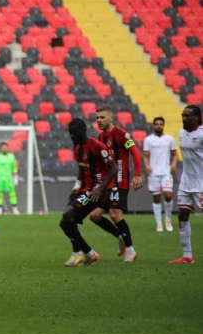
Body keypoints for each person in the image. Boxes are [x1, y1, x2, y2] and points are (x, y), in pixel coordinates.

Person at [88, 106, 143, 263]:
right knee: (94, 215)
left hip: (120, 180)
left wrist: (137, 174)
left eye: (102, 117)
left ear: (111, 118)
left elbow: (135, 152)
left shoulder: (121, 135)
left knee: (114, 213)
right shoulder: (100, 137)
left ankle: (131, 251)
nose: (99, 120)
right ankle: (120, 237)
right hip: (108, 182)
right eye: (97, 117)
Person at [61, 119, 118, 267]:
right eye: (70, 134)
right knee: (65, 223)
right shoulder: (77, 147)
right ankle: (89, 253)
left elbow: (113, 168)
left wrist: (101, 188)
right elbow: (81, 168)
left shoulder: (97, 146)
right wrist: (76, 186)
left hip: (95, 190)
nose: (71, 137)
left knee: (68, 214)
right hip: (83, 188)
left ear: (82, 131)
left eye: (74, 133)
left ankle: (78, 253)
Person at [170, 105, 203, 264]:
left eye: (187, 116)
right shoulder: (182, 133)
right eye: (183, 115)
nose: (184, 118)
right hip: (186, 182)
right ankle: (187, 256)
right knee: (182, 215)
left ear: (197, 117)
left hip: (201, 183)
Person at [143, 117, 177, 232]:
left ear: (164, 125)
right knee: (156, 198)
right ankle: (159, 224)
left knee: (168, 195)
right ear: (153, 125)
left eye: (161, 124)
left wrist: (173, 164)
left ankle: (167, 219)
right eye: (157, 124)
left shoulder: (170, 139)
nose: (159, 126)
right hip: (154, 173)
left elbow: (175, 154)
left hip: (166, 172)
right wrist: (147, 166)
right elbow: (146, 156)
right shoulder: (148, 140)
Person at [0, 142, 19, 215]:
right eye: (3, 148)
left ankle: (15, 209)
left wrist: (15, 178)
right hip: (0, 178)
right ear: (1, 148)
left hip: (9, 178)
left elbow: (14, 168)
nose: (4, 149)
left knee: (12, 194)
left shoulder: (12, 157)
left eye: (5, 148)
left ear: (7, 148)